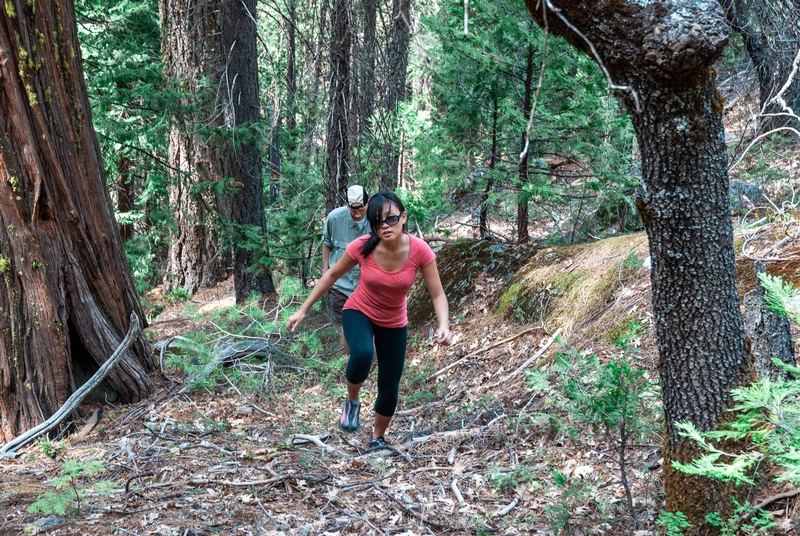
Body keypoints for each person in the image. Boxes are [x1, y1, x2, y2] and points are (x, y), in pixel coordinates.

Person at [288, 191, 454, 448]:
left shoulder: (420, 250)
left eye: (391, 219)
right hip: (359, 310)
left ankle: (377, 438)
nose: (385, 226)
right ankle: (352, 401)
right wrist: (303, 309)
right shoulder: (362, 246)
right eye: (377, 222)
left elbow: (438, 293)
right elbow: (331, 275)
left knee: (390, 384)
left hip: (394, 321)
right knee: (364, 353)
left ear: (403, 217)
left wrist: (444, 325)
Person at [322, 185, 371, 353]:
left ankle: (369, 360)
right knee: (347, 328)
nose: (357, 214)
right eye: (353, 210)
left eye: (361, 210)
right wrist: (326, 273)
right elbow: (327, 244)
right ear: (346, 204)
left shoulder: (378, 218)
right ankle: (353, 362)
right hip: (341, 284)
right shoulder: (334, 218)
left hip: (369, 285)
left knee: (368, 326)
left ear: (368, 202)